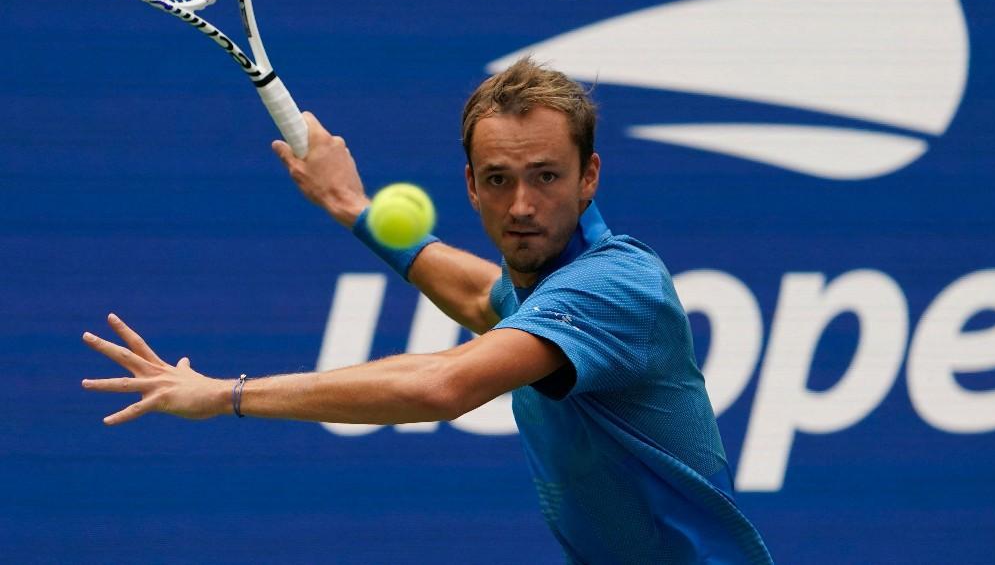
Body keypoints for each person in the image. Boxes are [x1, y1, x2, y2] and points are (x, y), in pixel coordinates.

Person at [82, 58, 773, 563]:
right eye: (499, 180)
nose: (522, 205)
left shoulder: (617, 283)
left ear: (589, 177)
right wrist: (352, 207)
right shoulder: (541, 286)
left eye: (547, 176)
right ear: (471, 186)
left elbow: (441, 385)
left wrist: (226, 394)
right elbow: (481, 295)